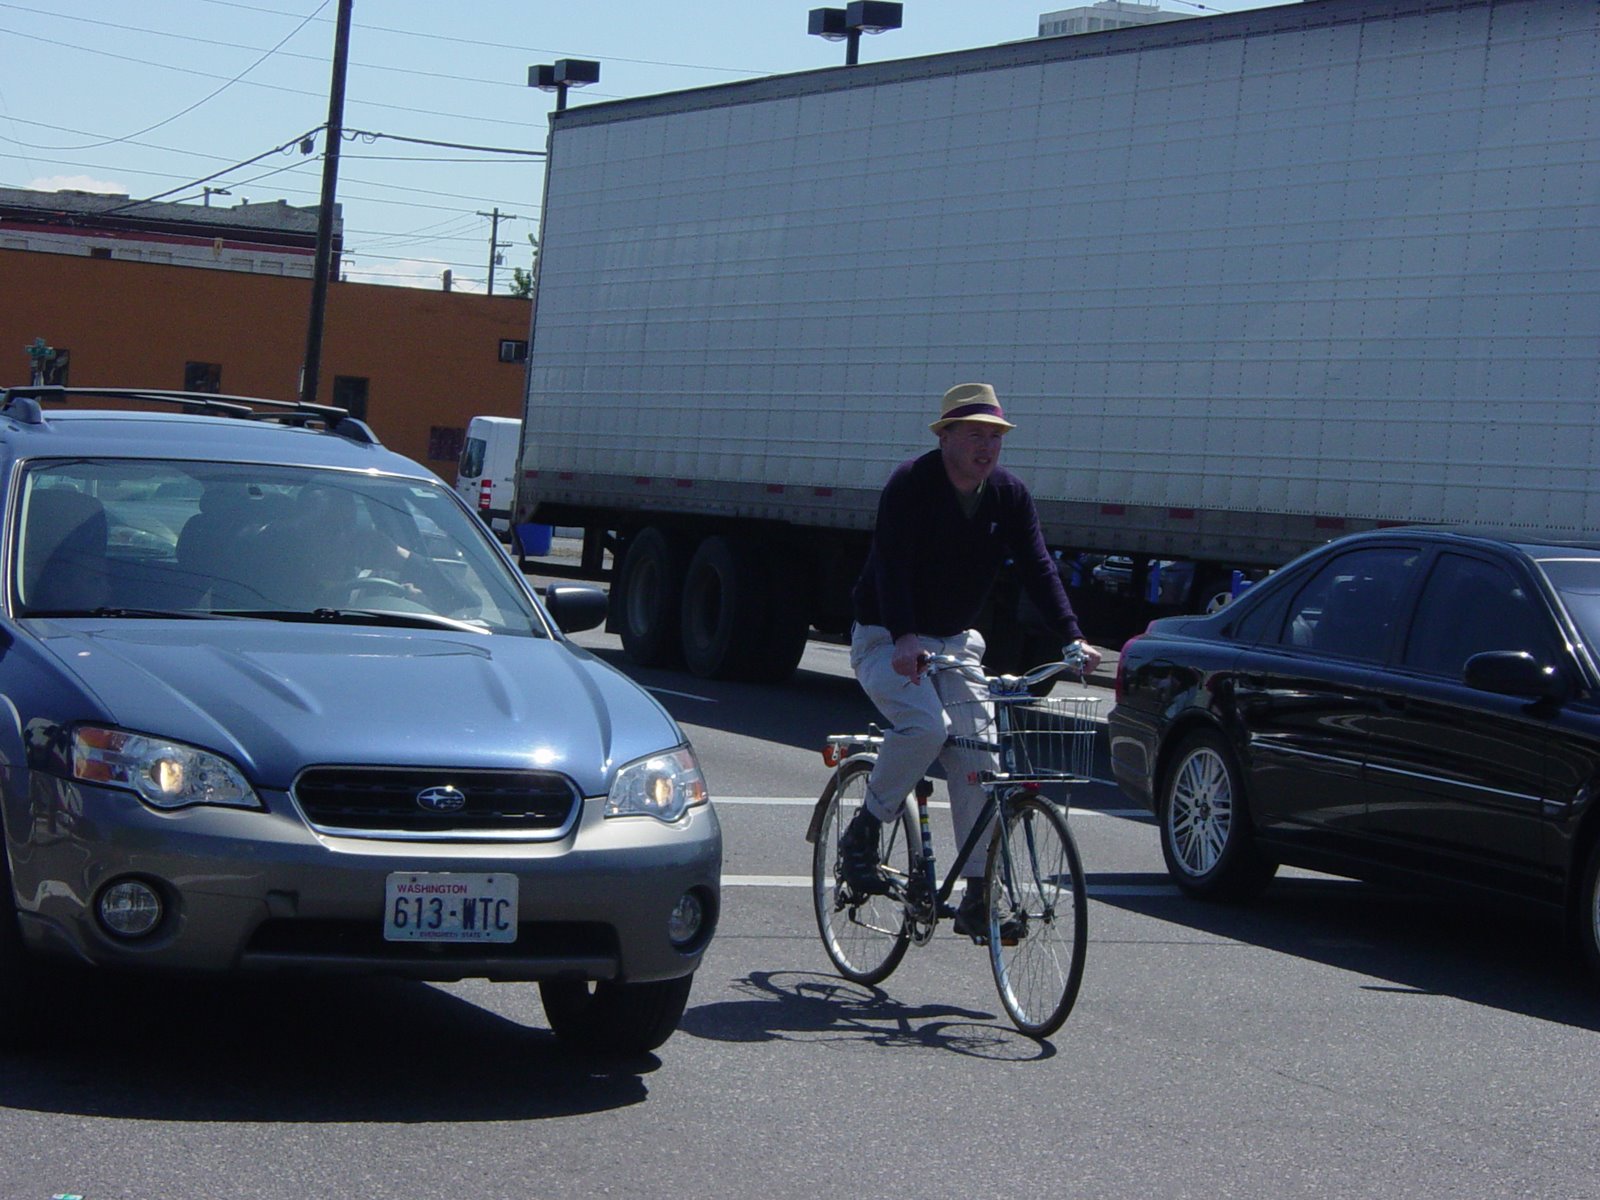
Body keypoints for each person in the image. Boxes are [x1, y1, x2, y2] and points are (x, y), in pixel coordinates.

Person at [840, 382, 1104, 938]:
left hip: (955, 642)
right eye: (976, 435)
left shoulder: (1008, 495)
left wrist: (1072, 638)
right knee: (925, 726)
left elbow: (1038, 565)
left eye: (996, 437)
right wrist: (905, 636)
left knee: (978, 756)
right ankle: (865, 830)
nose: (988, 447)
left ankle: (980, 891)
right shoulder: (912, 484)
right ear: (946, 437)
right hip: (887, 636)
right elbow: (889, 564)